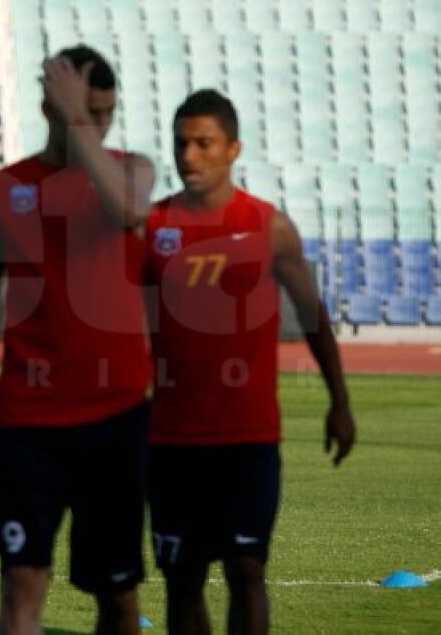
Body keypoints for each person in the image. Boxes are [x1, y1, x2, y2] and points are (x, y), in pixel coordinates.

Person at [144, 89, 356, 635]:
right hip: (171, 439)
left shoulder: (269, 227)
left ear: (233, 148)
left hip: (247, 438)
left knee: (247, 569)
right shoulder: (152, 228)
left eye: (204, 143)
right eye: (181, 143)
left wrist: (340, 401)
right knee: (183, 577)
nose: (189, 155)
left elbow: (313, 316)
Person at [0, 45, 155, 634]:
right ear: (49, 105)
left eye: (106, 112)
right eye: (85, 111)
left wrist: (80, 125)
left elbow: (126, 211)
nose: (98, 123)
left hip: (116, 419)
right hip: (28, 424)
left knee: (117, 596)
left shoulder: (133, 170)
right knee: (21, 586)